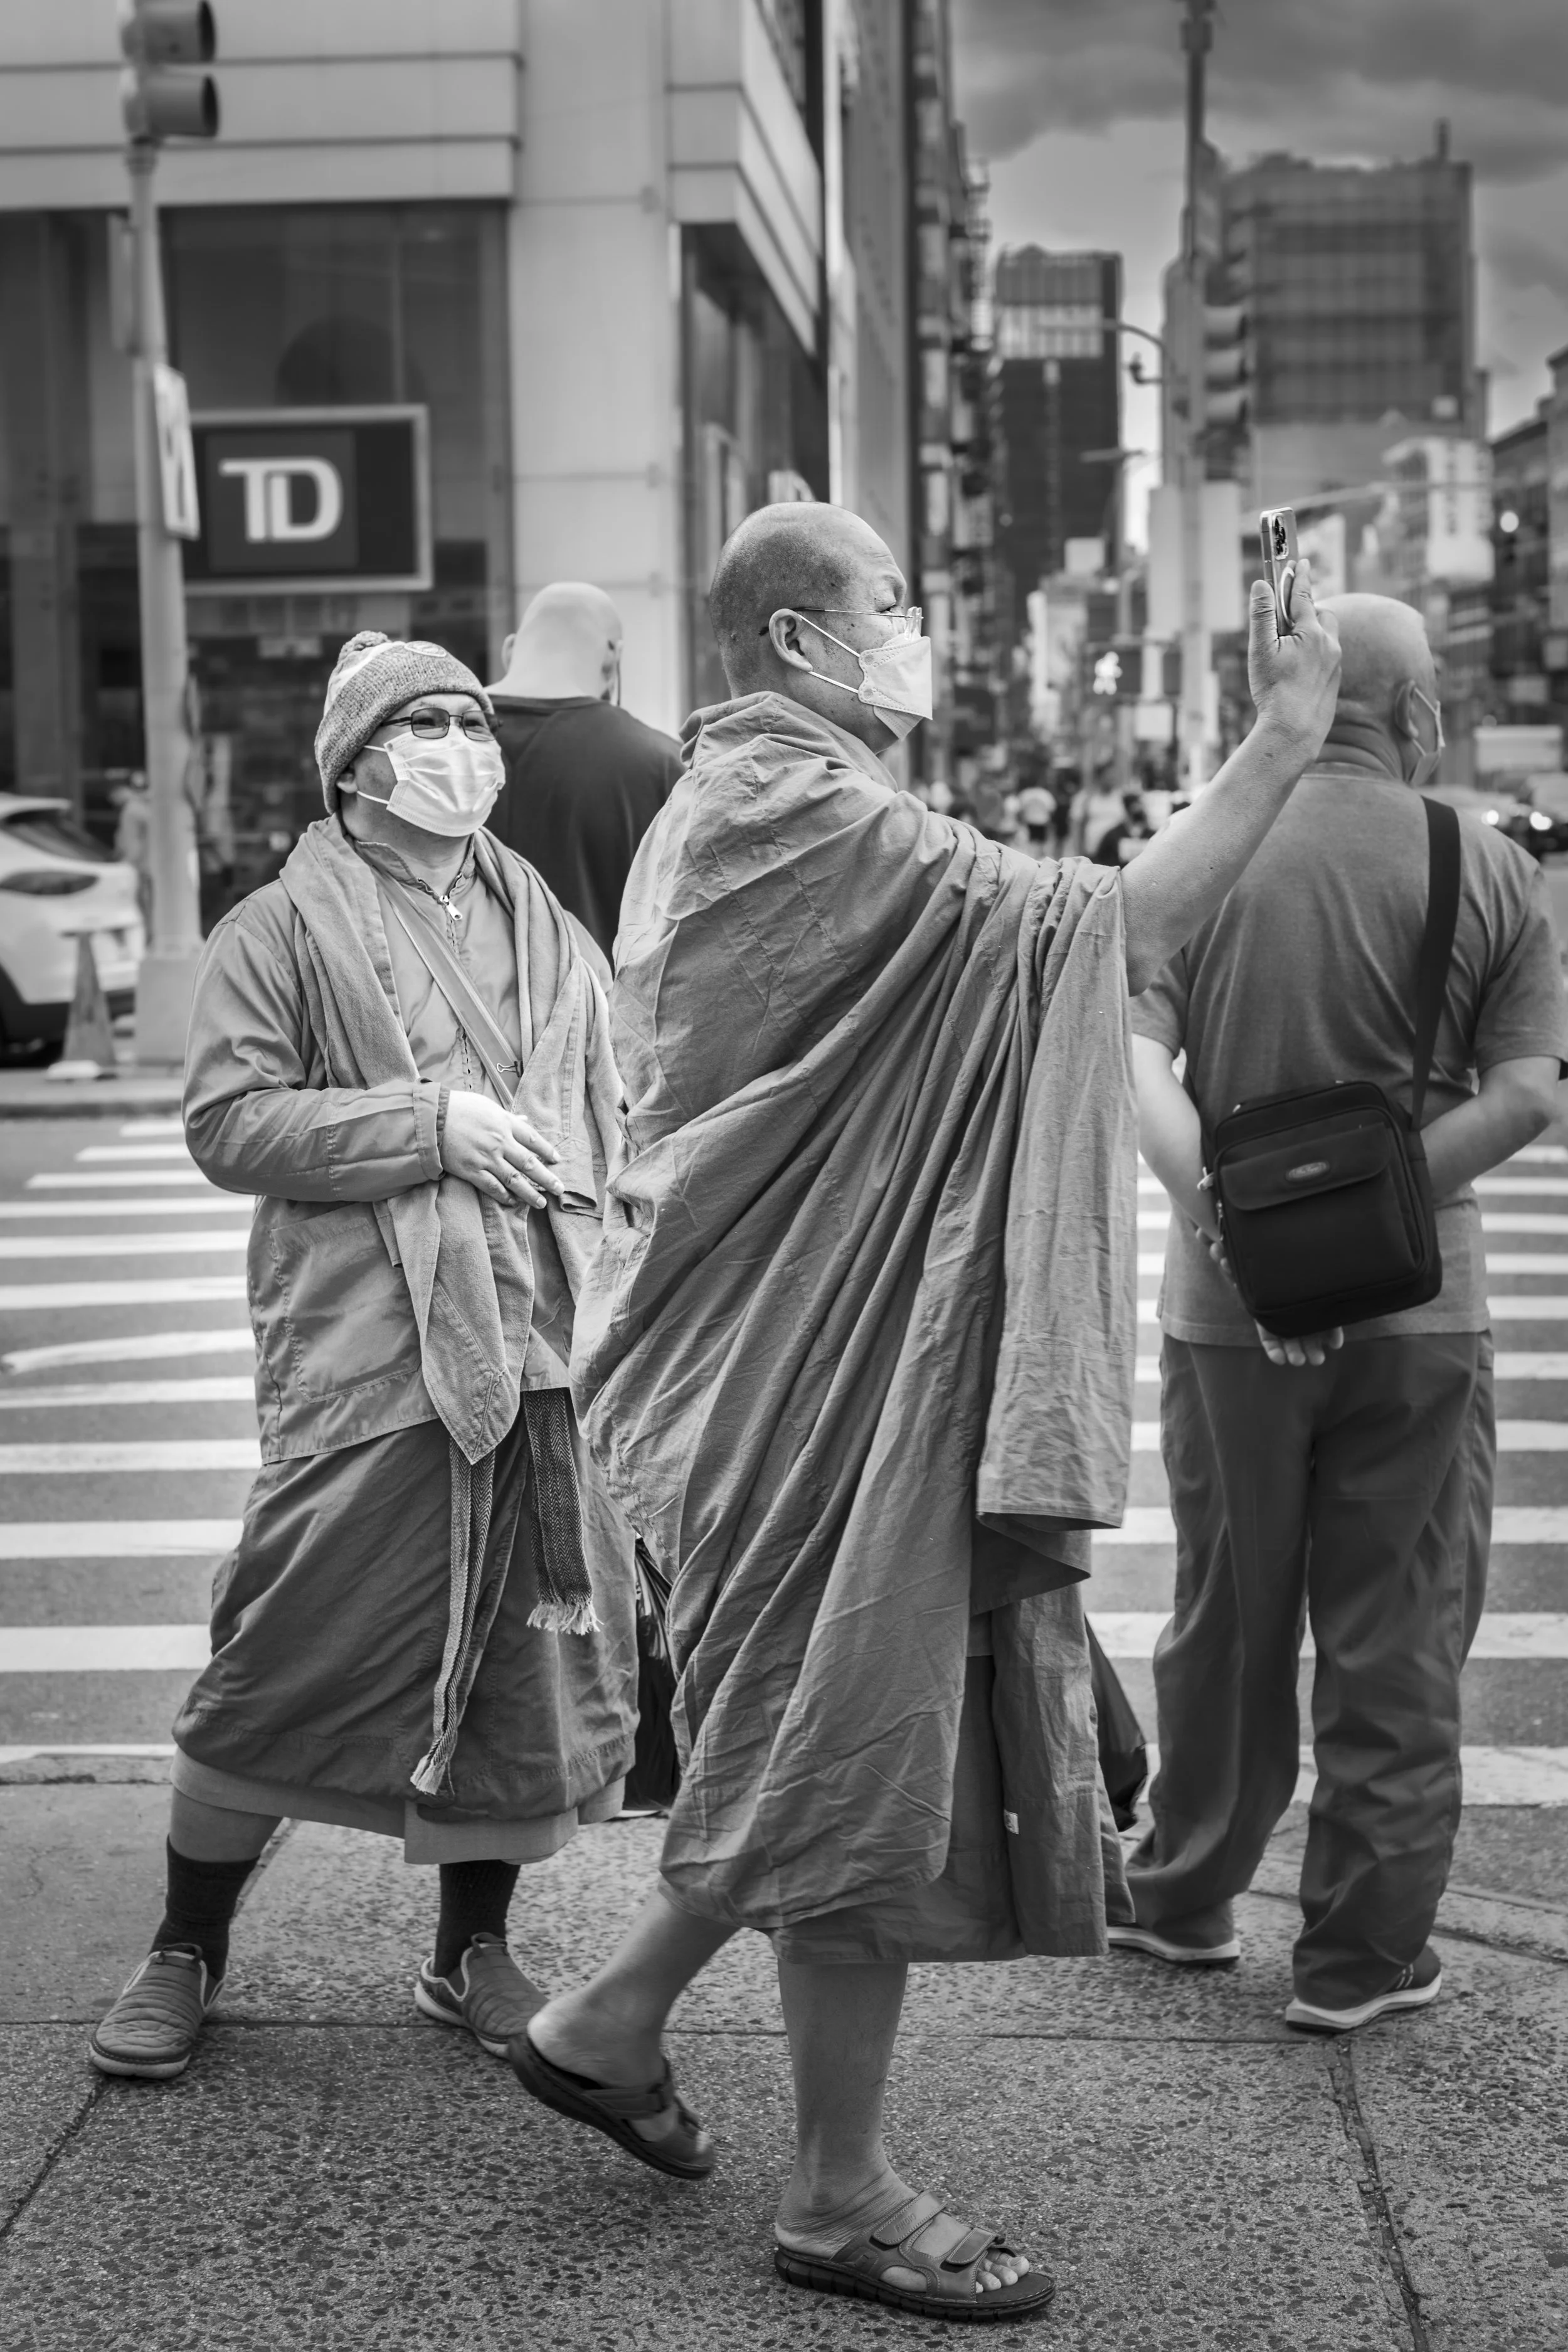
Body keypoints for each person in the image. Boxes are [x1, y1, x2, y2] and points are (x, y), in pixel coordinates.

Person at [508, 504, 1342, 2321]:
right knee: (850, 1754)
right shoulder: (794, 804)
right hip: (801, 1376)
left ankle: (607, 2012)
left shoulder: (766, 798)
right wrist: (1281, 732)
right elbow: (1097, 924)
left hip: (789, 1360)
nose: (916, 630)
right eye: (892, 605)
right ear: (802, 642)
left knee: (817, 1733)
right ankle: (836, 2191)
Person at [88, 631, 636, 2083]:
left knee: (531, 1661)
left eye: (474, 715)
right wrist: (427, 1126)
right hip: (369, 1352)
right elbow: (228, 1122)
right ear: (359, 760)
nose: (464, 740)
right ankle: (186, 1940)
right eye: (429, 719)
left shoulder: (547, 923)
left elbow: (614, 1102)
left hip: (541, 1341)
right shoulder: (274, 925)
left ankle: (473, 1946)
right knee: (280, 1648)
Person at [1123, 592, 1568, 2034]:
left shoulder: (1201, 852)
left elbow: (1130, 1067)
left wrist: (1258, 1244)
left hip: (1223, 1314)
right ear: (1422, 719)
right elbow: (1524, 1095)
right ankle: (1357, 1958)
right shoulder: (1487, 865)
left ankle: (1185, 1897)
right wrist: (1360, 1241)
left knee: (1224, 1607)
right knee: (1396, 1621)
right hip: (1420, 1314)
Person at [484, 581, 682, 958]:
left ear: (510, 649)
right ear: (613, 658)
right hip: (604, 1012)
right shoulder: (663, 765)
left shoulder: (434, 745)